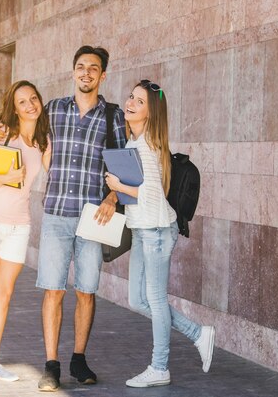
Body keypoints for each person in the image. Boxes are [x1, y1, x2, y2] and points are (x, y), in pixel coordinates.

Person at [0, 46, 126, 391]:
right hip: (56, 215)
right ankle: (51, 365)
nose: (86, 73)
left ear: (102, 76)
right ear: (73, 71)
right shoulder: (53, 110)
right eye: (80, 67)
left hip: (93, 217)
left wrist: (112, 197)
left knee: (86, 291)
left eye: (93, 68)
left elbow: (123, 168)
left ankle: (79, 359)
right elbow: (20, 126)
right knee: (53, 290)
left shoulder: (113, 116)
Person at [105, 80, 216, 388]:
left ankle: (160, 366)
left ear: (151, 113)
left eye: (139, 102)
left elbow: (151, 195)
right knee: (139, 300)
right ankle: (198, 334)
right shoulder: (133, 142)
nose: (130, 103)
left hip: (156, 232)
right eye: (131, 97)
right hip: (143, 230)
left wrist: (118, 188)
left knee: (153, 298)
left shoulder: (147, 145)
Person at [0, 80, 51, 382]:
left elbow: (54, 170)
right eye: (22, 102)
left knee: (4, 294)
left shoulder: (43, 142)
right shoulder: (2, 135)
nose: (30, 105)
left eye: (33, 98)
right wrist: (5, 177)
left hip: (18, 225)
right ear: (14, 110)